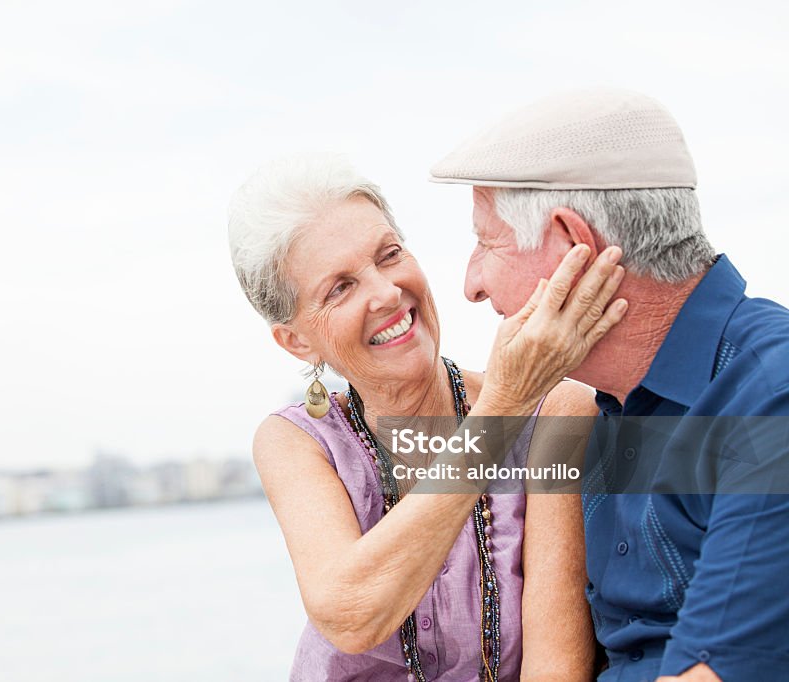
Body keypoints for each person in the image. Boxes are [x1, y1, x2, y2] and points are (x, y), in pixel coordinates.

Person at [430, 88, 789, 681]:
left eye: (486, 243)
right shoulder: (601, 412)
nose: (471, 285)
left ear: (575, 245)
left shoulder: (768, 396)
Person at [227, 154, 627, 681]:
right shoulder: (296, 441)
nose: (387, 292)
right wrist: (502, 407)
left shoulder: (555, 415)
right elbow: (351, 613)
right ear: (297, 340)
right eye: (340, 287)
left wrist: (507, 404)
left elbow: (556, 668)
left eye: (389, 255)